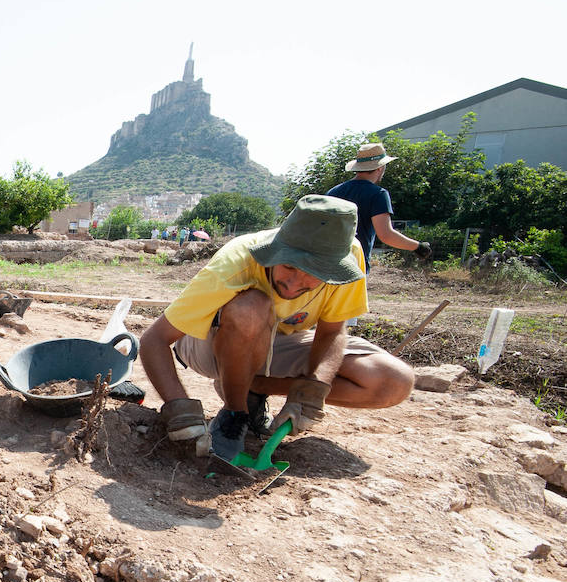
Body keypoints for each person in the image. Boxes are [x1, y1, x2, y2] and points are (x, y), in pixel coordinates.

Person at [139, 195, 415, 461]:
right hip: (208, 344)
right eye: (288, 267)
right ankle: (236, 412)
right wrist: (180, 411)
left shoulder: (346, 256)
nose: (295, 284)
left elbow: (331, 332)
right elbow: (154, 340)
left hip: (280, 343)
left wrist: (313, 387)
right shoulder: (238, 260)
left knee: (393, 381)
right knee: (251, 307)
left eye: (314, 275)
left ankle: (254, 388)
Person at [326, 141, 432, 268]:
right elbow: (386, 235)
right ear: (380, 168)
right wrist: (418, 247)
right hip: (354, 266)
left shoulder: (333, 192)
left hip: (326, 265)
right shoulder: (378, 194)